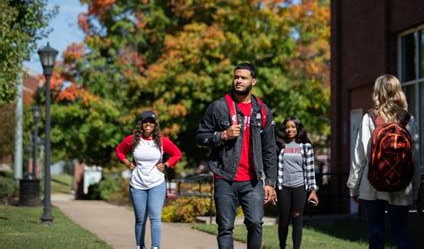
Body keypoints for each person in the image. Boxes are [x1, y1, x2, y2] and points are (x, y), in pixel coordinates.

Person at [196, 63, 277, 249]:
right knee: (225, 227)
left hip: (253, 180)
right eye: (236, 77)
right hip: (225, 176)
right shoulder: (219, 107)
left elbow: (269, 149)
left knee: (256, 223)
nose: (239, 81)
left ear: (253, 81)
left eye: (244, 77)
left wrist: (270, 182)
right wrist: (222, 135)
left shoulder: (263, 111)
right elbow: (200, 136)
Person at [347, 74, 421, 249]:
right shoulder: (409, 120)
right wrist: (416, 189)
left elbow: (360, 155)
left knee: (376, 234)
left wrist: (353, 186)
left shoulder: (370, 118)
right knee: (400, 234)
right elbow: (415, 158)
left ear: (377, 92)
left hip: (373, 183)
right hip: (402, 184)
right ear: (398, 91)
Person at [116, 111, 182, 249]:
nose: (148, 124)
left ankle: (155, 247)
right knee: (140, 220)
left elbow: (177, 154)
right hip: (137, 184)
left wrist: (166, 165)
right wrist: (127, 163)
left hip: (156, 184)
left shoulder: (162, 141)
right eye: (145, 121)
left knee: (155, 217)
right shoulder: (132, 139)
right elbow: (119, 150)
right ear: (140, 124)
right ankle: (140, 246)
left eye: (151, 122)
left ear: (155, 125)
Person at [276, 116, 319, 249]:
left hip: (299, 188)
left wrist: (312, 191)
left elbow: (310, 170)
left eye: (293, 127)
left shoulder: (306, 147)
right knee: (283, 221)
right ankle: (282, 246)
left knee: (297, 220)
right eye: (287, 127)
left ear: (298, 128)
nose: (290, 129)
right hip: (283, 188)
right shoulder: (279, 145)